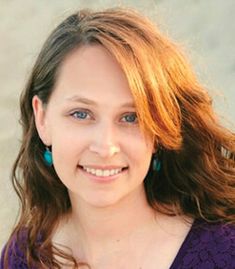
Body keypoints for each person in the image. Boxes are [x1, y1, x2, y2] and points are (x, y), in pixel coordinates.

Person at [1, 7, 235, 269]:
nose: (105, 147)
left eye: (131, 117)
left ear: (160, 128)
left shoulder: (224, 253)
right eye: (81, 113)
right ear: (42, 119)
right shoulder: (21, 257)